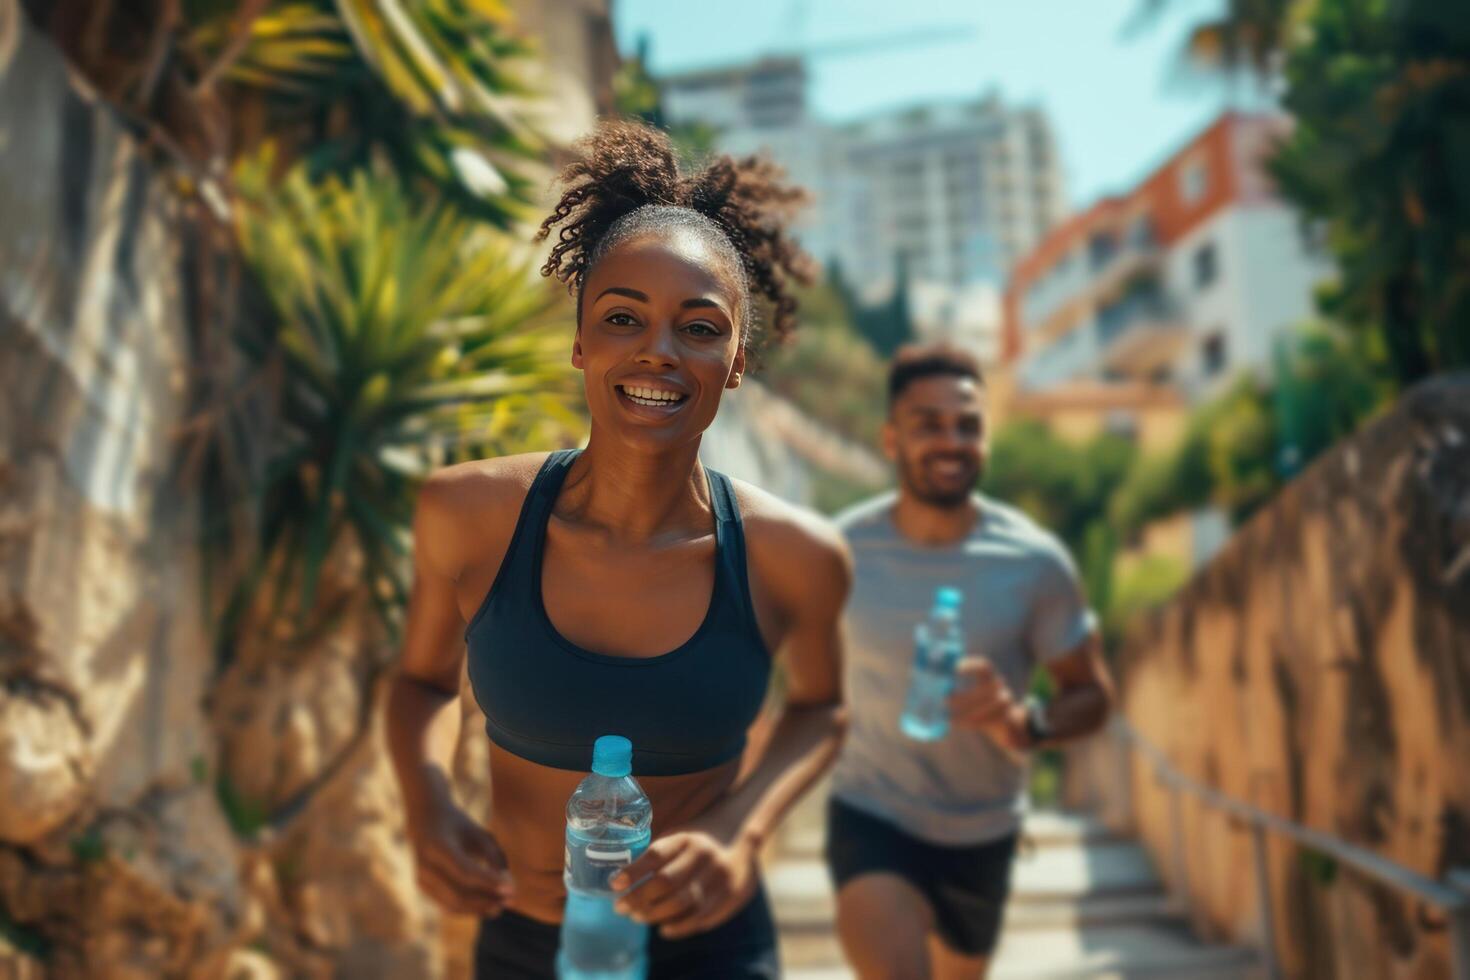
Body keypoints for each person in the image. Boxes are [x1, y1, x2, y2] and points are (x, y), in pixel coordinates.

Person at [383, 120, 850, 979]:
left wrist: (737, 832)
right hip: (526, 942)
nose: (658, 352)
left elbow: (822, 710)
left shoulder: (795, 557)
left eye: (700, 328)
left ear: (738, 358)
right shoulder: (470, 518)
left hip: (712, 949)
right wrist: (428, 801)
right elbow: (420, 684)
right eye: (622, 317)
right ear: (580, 343)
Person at [824, 344, 1115, 980]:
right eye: (929, 424)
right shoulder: (839, 552)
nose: (951, 441)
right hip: (872, 811)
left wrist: (1026, 724)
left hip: (982, 829)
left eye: (968, 425)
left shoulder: (1035, 562)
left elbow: (1091, 694)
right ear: (891, 438)